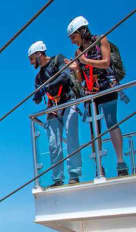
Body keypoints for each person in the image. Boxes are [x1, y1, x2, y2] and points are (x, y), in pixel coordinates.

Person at [67, 16, 129, 177]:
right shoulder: (78, 52)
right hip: (91, 93)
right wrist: (75, 69)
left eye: (73, 36)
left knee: (111, 122)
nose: (72, 41)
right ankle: (99, 166)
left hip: (107, 88)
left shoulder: (101, 40)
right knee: (95, 131)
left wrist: (85, 60)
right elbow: (81, 78)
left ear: (82, 31)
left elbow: (106, 62)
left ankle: (120, 162)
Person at [29, 40, 82, 186]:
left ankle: (74, 174)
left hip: (68, 101)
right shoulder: (38, 77)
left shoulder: (57, 60)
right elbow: (39, 96)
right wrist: (38, 96)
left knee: (71, 137)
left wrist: (46, 88)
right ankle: (57, 178)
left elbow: (64, 76)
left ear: (39, 54)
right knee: (53, 144)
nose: (31, 62)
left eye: (32, 58)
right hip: (53, 108)